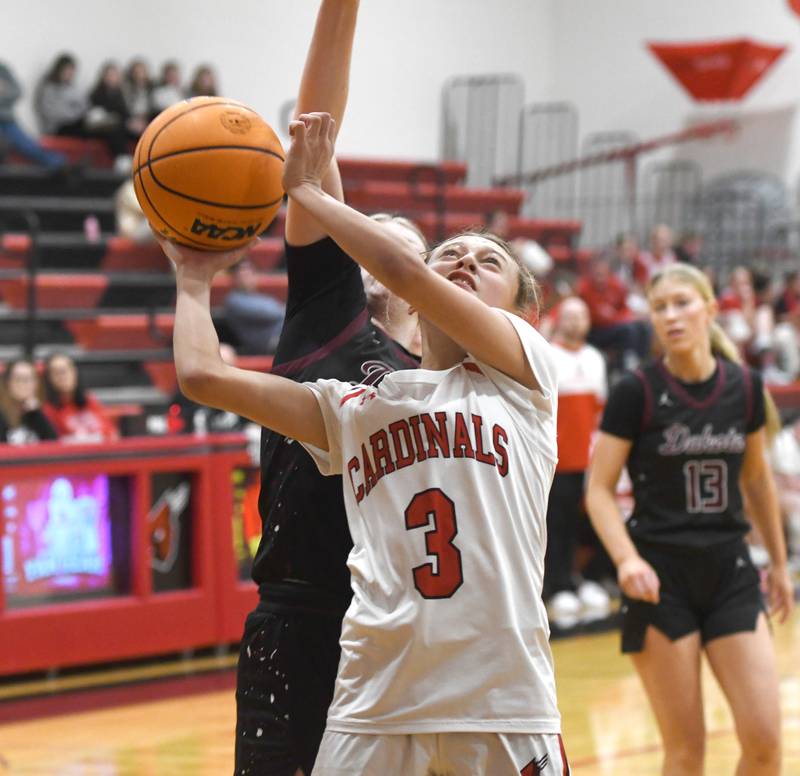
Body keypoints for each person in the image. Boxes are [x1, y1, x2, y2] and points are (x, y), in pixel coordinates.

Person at [163, 106, 566, 775]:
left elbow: (404, 273)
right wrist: (193, 276)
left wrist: (311, 194)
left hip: (501, 698)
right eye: (451, 254)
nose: (465, 258)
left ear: (521, 313)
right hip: (374, 698)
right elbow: (203, 376)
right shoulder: (358, 407)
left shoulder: (522, 376)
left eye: (489, 260)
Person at [227, 4, 423, 774]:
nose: (373, 245)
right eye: (362, 232)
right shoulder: (327, 313)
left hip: (399, 624)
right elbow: (318, 131)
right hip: (300, 612)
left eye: (399, 244)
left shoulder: (446, 376)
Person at [585, 262, 794, 776]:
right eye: (659, 307)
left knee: (766, 744)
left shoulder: (745, 387)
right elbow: (598, 492)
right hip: (661, 578)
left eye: (682, 303)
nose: (671, 316)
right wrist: (626, 559)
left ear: (709, 309)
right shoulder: (635, 391)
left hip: (731, 573)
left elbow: (758, 482)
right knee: (686, 754)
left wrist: (783, 568)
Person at [544, 296, 609, 625]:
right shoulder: (547, 355)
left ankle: (582, 579)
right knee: (557, 526)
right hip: (557, 459)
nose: (575, 322)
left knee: (588, 525)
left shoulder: (595, 358)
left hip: (590, 459)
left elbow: (600, 409)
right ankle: (557, 586)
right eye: (569, 316)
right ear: (559, 319)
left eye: (581, 316)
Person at [35, 53, 130, 164]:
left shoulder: (73, 87)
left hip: (79, 122)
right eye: (67, 70)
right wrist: (77, 113)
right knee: (104, 128)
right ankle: (122, 160)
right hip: (60, 127)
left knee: (112, 127)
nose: (69, 74)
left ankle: (123, 159)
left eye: (72, 71)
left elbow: (85, 105)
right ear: (59, 70)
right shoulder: (49, 89)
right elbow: (54, 114)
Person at [0, 59, 65, 168]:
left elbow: (17, 91)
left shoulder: (2, 69)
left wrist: (4, 91)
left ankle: (61, 165)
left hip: (7, 119)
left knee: (28, 145)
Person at [41, 353, 117, 443]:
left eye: (66, 370)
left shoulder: (89, 400)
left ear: (75, 372)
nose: (62, 376)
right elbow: (57, 444)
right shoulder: (47, 410)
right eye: (56, 372)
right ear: (48, 378)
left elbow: (112, 433)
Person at [222, 257, 286, 355]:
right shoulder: (233, 300)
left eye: (250, 273)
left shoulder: (262, 297)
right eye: (243, 273)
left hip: (282, 336)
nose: (247, 277)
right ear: (234, 277)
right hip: (267, 345)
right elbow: (271, 313)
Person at [0, 359, 58, 444]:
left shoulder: (43, 411)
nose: (25, 383)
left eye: (30, 378)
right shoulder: (2, 413)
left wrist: (36, 414)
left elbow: (54, 444)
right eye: (18, 379)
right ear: (8, 383)